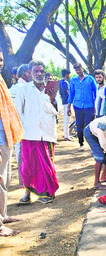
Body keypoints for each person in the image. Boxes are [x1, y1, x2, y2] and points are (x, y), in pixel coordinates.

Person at [15, 60, 60, 204]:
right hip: (29, 134)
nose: (40, 74)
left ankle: (46, 194)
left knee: (46, 165)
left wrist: (53, 100)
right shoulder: (24, 89)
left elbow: (56, 112)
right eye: (36, 71)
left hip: (47, 133)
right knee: (28, 166)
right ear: (30, 73)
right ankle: (27, 194)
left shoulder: (51, 89)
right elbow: (18, 112)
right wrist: (21, 130)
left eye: (42, 71)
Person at [0, 47, 24, 236]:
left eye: (1, 60)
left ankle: (3, 215)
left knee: (5, 180)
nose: (1, 63)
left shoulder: (1, 81)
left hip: (6, 137)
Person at [67, 63, 97, 148]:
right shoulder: (73, 80)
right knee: (79, 125)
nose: (78, 71)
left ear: (82, 68)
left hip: (89, 105)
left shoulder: (90, 79)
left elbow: (95, 92)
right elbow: (71, 94)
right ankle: (81, 143)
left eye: (79, 69)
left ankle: (92, 145)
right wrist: (69, 106)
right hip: (77, 105)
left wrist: (95, 106)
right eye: (76, 70)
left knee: (89, 125)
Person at [59, 69, 71, 140]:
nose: (68, 76)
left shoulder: (60, 82)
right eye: (68, 74)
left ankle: (66, 134)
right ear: (66, 74)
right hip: (67, 102)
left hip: (63, 101)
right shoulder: (66, 83)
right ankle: (66, 135)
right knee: (67, 119)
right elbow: (68, 92)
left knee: (65, 119)